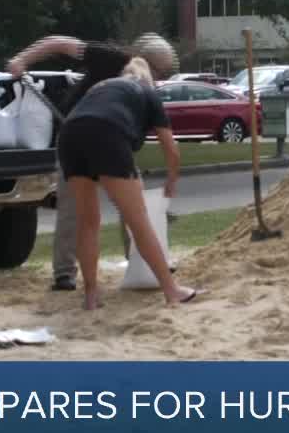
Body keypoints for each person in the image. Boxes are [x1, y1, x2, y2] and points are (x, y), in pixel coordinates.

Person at [7, 34, 175, 291]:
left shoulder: (144, 89)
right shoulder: (110, 57)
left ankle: (140, 262)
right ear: (145, 61)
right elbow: (57, 42)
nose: (160, 79)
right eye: (159, 71)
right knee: (73, 207)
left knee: (132, 202)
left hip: (109, 139)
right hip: (75, 133)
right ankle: (64, 273)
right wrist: (22, 59)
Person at [55, 57, 200, 310]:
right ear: (148, 78)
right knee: (139, 221)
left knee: (88, 222)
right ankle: (171, 290)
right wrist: (171, 181)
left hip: (69, 135)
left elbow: (91, 115)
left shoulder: (102, 87)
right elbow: (171, 149)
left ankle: (91, 296)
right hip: (106, 134)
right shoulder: (147, 92)